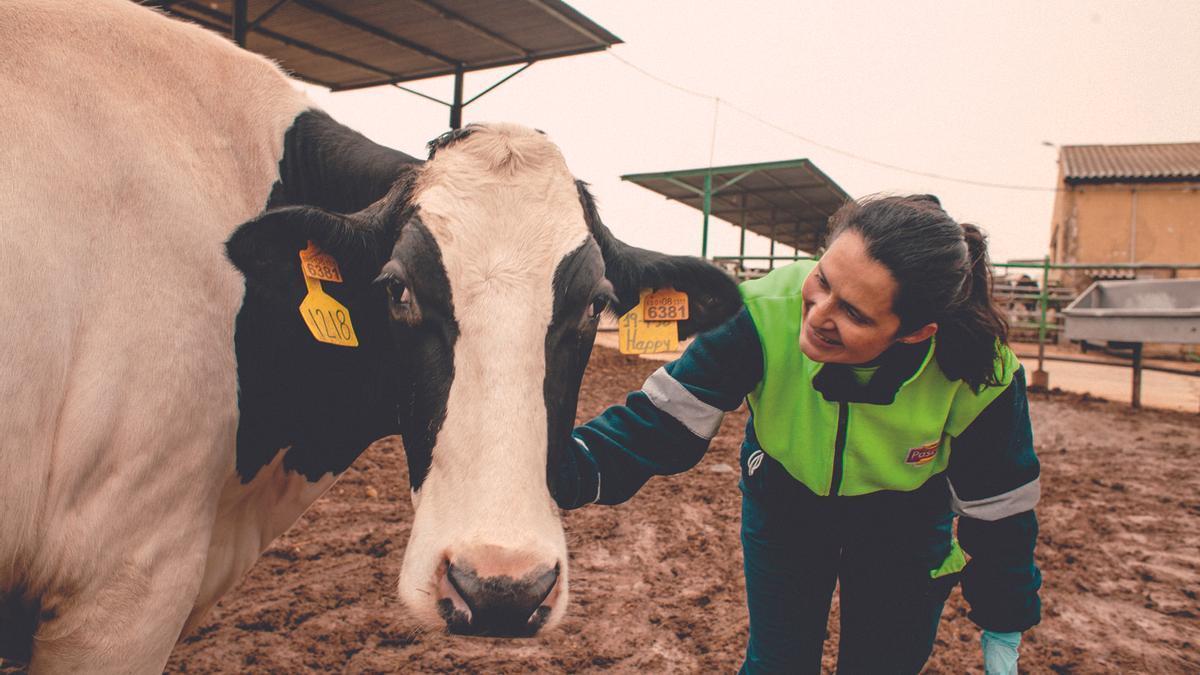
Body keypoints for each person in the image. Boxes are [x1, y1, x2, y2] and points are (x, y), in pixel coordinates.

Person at [553, 195, 1041, 674]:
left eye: (854, 313)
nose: (817, 315)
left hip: (904, 520)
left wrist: (1005, 617)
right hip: (786, 501)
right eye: (823, 280)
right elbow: (666, 419)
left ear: (914, 332)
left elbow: (1001, 509)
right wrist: (567, 465)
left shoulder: (980, 371)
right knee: (778, 663)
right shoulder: (763, 311)